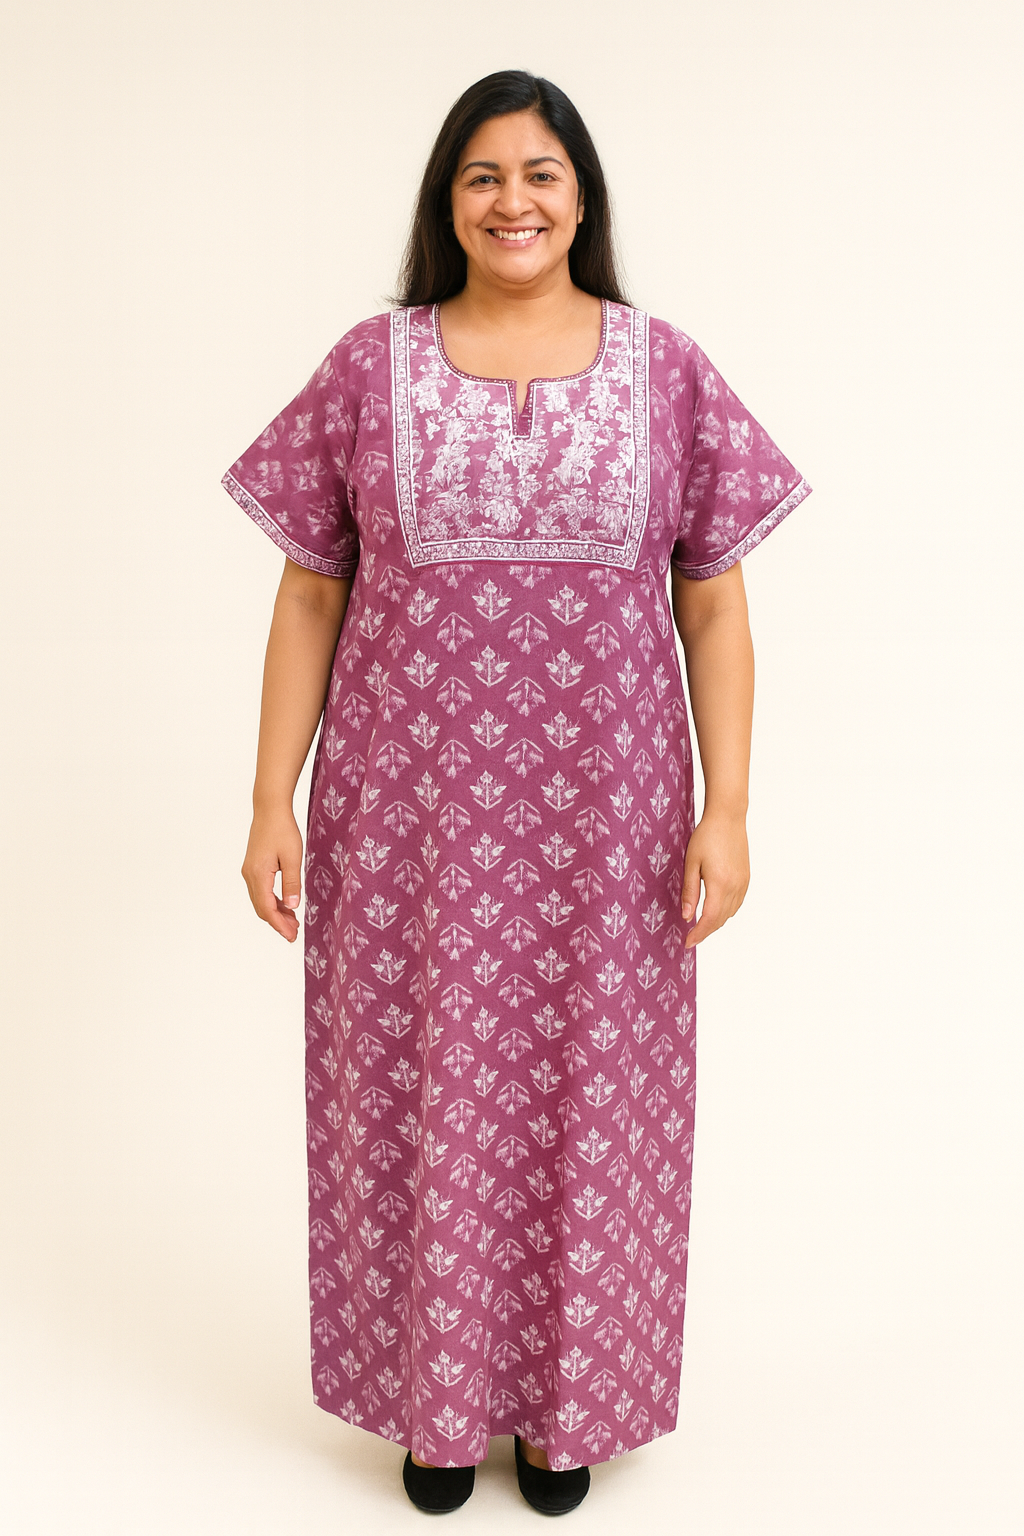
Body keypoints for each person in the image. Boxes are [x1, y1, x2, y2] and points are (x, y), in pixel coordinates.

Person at [223, 69, 812, 1517]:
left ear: (582, 196)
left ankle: (569, 1412)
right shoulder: (372, 367)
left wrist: (728, 808)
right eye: (483, 175)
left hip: (607, 827)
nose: (514, 201)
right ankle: (434, 1411)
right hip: (407, 822)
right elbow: (310, 594)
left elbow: (715, 604)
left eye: (541, 172)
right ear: (448, 201)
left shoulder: (666, 368)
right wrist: (271, 800)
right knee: (413, 1090)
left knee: (594, 1096)